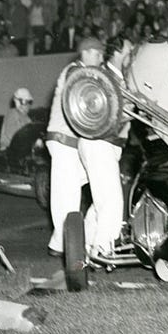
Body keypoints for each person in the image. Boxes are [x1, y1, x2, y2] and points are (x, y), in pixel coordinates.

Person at [45, 36, 106, 257]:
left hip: (69, 140)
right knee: (67, 193)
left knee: (75, 188)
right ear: (87, 52)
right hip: (65, 140)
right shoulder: (74, 72)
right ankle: (62, 245)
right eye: (98, 55)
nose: (101, 60)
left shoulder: (79, 72)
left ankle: (62, 242)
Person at [78, 35, 133, 257]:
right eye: (130, 49)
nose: (132, 53)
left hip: (106, 146)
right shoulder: (106, 77)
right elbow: (105, 115)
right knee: (112, 200)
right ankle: (103, 249)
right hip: (99, 143)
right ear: (118, 51)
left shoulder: (118, 77)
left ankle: (85, 244)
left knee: (102, 199)